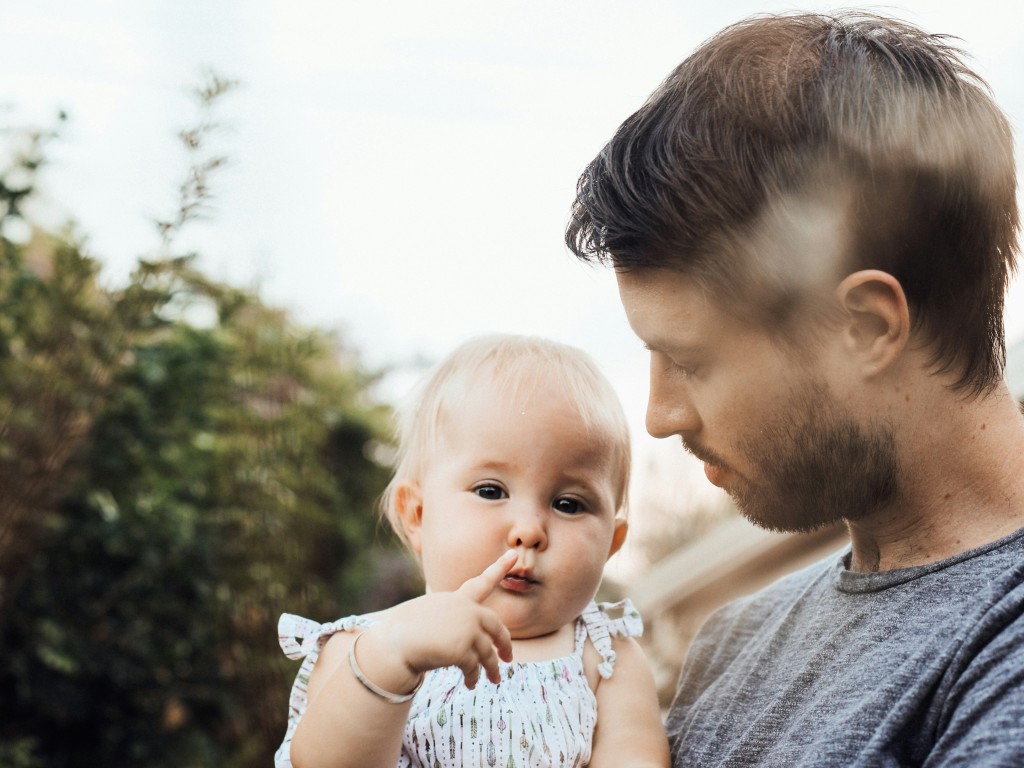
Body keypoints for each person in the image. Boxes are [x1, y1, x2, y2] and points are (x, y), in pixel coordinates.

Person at [565, 10, 1024, 767]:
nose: (659, 415)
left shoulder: (998, 639)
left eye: (689, 359)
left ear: (869, 330)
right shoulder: (734, 640)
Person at [273, 335, 669, 768]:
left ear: (611, 543)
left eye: (568, 504)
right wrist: (390, 660)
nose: (529, 531)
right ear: (418, 515)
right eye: (491, 491)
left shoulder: (606, 658)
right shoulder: (363, 646)